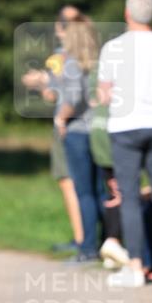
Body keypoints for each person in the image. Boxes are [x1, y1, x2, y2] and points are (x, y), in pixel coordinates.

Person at [98, 0, 152, 288]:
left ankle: (135, 266)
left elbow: (104, 94)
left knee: (130, 198)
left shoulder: (113, 48)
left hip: (125, 127)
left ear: (127, 13)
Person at [21, 5, 84, 252]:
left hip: (67, 124)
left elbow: (54, 94)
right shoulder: (93, 51)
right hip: (93, 126)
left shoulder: (61, 57)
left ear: (60, 28)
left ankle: (82, 239)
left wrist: (40, 81)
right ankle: (97, 238)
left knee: (68, 181)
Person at [53, 16, 103, 262]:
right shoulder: (98, 63)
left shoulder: (73, 63)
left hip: (77, 132)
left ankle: (88, 249)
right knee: (100, 190)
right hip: (98, 129)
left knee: (84, 192)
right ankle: (107, 242)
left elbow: (73, 99)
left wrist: (60, 119)